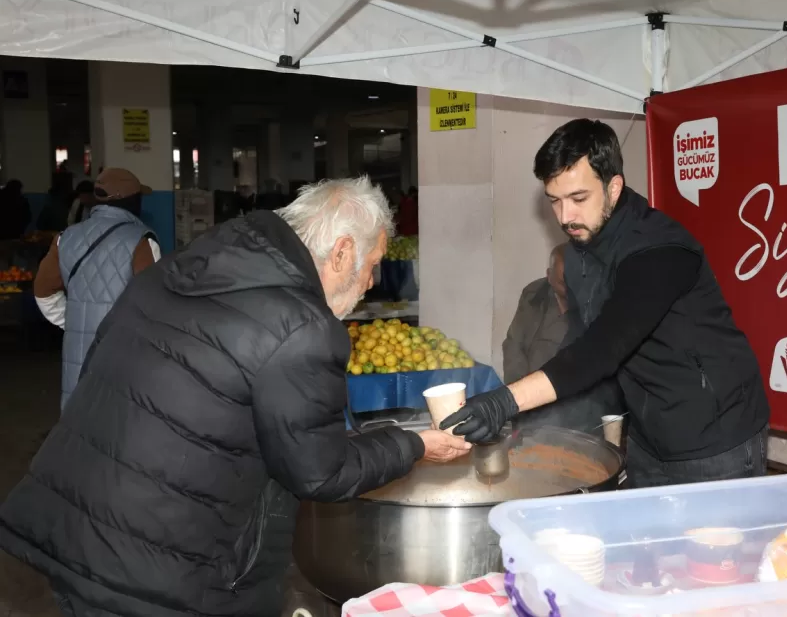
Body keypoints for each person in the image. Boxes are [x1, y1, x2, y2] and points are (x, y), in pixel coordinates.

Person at [0, 176, 471, 617]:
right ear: (343, 252)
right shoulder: (301, 326)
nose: (371, 282)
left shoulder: (182, 269)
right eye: (373, 266)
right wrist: (415, 444)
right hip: (152, 576)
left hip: (74, 532)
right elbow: (320, 472)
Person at [442, 119, 770, 488]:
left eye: (579, 199)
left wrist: (505, 401)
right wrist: (530, 421)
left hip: (716, 437)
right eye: (555, 201)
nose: (566, 217)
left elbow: (603, 348)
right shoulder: (585, 245)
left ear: (614, 187)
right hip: (650, 435)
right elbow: (582, 339)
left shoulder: (659, 250)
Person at [32, 167, 159, 410]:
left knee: (79, 424)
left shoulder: (65, 237)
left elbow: (43, 292)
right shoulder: (142, 241)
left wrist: (74, 321)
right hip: (124, 356)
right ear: (131, 200)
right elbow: (153, 306)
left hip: (77, 358)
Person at [503, 243, 624, 433]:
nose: (570, 289)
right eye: (562, 282)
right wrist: (520, 393)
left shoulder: (596, 300)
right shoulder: (533, 295)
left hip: (577, 405)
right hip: (530, 400)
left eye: (574, 280)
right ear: (548, 275)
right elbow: (513, 345)